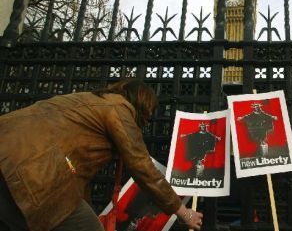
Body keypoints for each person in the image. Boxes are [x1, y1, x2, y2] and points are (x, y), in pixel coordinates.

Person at [0, 78, 203, 231]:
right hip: (29, 172)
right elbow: (143, 167)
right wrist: (184, 212)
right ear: (144, 104)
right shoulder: (119, 109)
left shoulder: (88, 101)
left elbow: (77, 178)